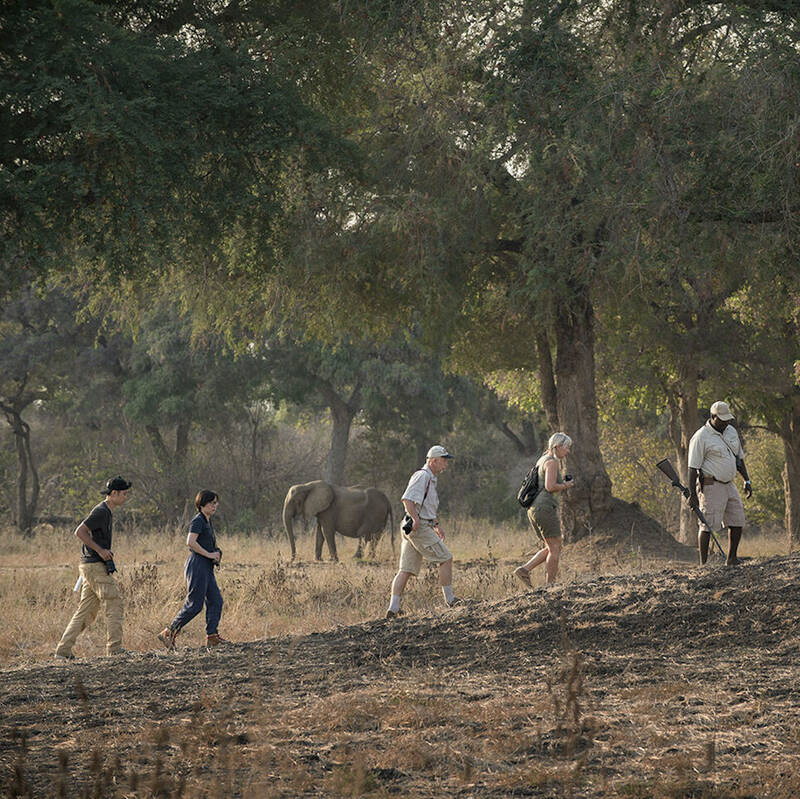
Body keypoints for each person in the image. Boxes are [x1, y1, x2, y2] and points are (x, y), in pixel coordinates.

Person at [55, 476, 131, 659]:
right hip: (94, 566)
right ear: (113, 494)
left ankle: (63, 651)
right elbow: (79, 531)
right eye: (124, 493)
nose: (126, 497)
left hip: (91, 566)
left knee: (86, 610)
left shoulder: (107, 511)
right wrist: (100, 550)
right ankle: (115, 650)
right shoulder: (101, 511)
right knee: (114, 602)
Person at [386, 445, 462, 618]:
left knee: (405, 570)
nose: (445, 464)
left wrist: (436, 524)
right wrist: (415, 519)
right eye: (443, 460)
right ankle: (450, 600)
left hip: (418, 525)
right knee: (446, 558)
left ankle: (393, 608)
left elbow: (425, 506)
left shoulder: (430, 478)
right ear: (433, 461)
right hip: (418, 528)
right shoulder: (423, 476)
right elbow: (407, 499)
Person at [158, 490, 226, 649]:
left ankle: (212, 637)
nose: (215, 506)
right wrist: (209, 554)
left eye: (216, 503)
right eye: (211, 503)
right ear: (202, 504)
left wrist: (216, 554)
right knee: (195, 604)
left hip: (206, 566)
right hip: (197, 565)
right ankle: (168, 633)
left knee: (216, 600)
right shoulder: (198, 520)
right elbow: (190, 542)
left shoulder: (207, 521)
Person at [688, 401, 752, 565]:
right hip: (711, 484)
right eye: (722, 419)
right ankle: (703, 564)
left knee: (737, 520)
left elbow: (739, 457)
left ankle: (731, 558)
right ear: (712, 417)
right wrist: (693, 495)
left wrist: (747, 479)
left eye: (727, 419)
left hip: (730, 484)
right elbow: (692, 468)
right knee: (707, 524)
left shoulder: (731, 431)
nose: (726, 423)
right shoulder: (701, 437)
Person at [513, 433, 574, 588]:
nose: (568, 451)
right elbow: (550, 486)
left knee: (551, 546)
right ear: (558, 446)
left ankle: (524, 570)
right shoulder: (552, 462)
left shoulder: (542, 459)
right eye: (566, 448)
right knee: (555, 547)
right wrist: (566, 486)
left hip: (534, 509)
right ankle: (550, 585)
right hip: (544, 508)